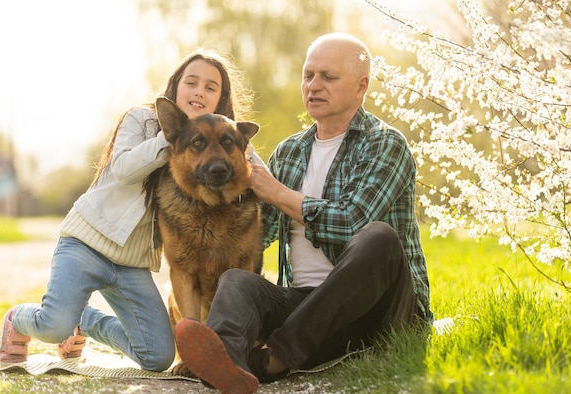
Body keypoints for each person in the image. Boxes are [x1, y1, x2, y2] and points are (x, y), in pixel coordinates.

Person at [174, 32, 433, 392]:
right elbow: (254, 236)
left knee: (378, 238)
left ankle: (274, 357)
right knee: (237, 278)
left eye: (328, 77)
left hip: (381, 312)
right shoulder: (289, 152)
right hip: (305, 307)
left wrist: (277, 193)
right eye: (308, 75)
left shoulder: (386, 143)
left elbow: (350, 224)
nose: (314, 85)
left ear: (361, 87)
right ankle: (226, 362)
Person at [0, 49, 254, 372]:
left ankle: (84, 320)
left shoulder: (221, 136)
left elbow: (249, 168)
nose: (200, 91)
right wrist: (172, 138)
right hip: (87, 245)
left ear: (220, 100)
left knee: (158, 356)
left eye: (211, 87)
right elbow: (123, 169)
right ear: (175, 86)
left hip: (130, 265)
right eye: (192, 82)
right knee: (53, 326)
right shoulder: (142, 121)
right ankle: (19, 318)